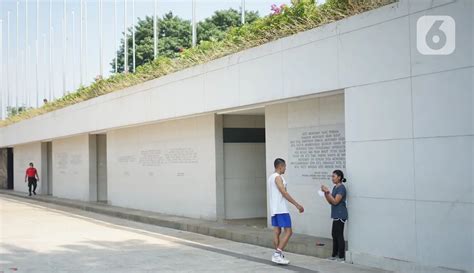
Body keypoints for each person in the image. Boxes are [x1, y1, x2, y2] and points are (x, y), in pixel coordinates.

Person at [268, 158, 304, 265]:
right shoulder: (278, 177)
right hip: (281, 209)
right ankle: (277, 254)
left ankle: (278, 254)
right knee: (289, 231)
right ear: (280, 166)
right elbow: (283, 192)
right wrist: (297, 205)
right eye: (285, 167)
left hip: (274, 209)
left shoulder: (271, 177)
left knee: (277, 232)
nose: (285, 169)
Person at [321, 170, 348, 262]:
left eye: (334, 176)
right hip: (335, 214)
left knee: (339, 235)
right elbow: (330, 201)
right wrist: (325, 193)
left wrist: (327, 192)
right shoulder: (335, 188)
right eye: (332, 176)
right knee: (334, 234)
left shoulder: (341, 188)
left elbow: (336, 201)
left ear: (339, 177)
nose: (332, 178)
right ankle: (334, 255)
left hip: (341, 214)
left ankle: (341, 256)